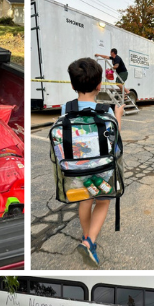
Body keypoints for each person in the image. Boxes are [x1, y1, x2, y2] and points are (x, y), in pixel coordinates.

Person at [65, 57, 124, 266]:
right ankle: (90, 242)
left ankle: (85, 236)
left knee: (84, 199)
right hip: (101, 168)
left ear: (72, 85)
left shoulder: (67, 108)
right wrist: (118, 117)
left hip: (76, 168)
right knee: (103, 200)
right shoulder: (105, 111)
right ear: (99, 85)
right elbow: (114, 143)